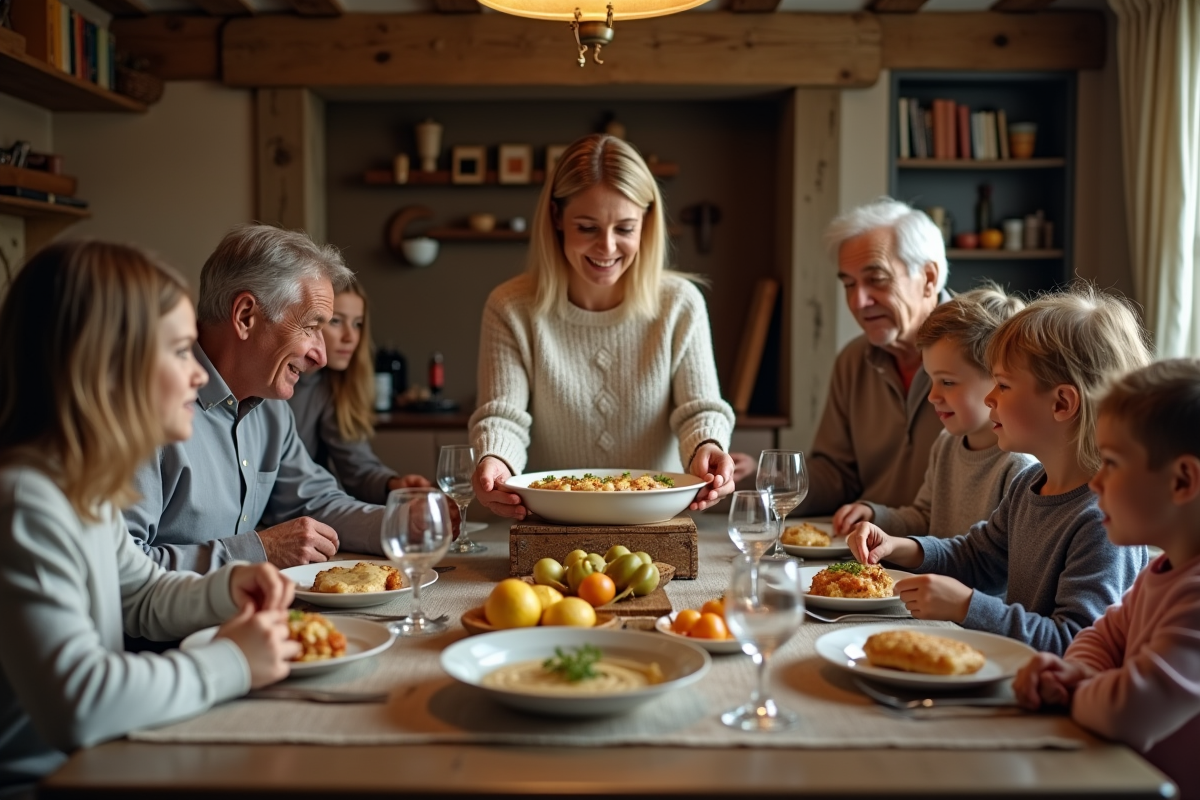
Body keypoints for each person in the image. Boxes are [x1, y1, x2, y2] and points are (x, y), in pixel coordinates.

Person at [0, 241, 299, 793]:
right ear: (108, 363)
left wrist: (227, 588)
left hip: (97, 764)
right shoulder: (25, 502)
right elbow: (79, 703)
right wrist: (233, 663)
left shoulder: (80, 488)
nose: (199, 376)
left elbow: (137, 596)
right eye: (181, 351)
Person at [848, 286, 1151, 654]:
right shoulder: (1029, 486)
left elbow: (1074, 642)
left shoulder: (1103, 521)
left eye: (1003, 385)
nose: (991, 397)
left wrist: (965, 605)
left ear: (1061, 403)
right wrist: (899, 546)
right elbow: (977, 557)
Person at [469, 133, 736, 519]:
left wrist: (707, 445)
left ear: (646, 222)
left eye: (625, 229)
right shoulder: (510, 306)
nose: (607, 248)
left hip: (654, 519)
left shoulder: (680, 303)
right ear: (558, 219)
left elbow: (698, 409)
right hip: (549, 519)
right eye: (588, 227)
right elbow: (503, 416)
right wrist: (495, 458)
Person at [124, 224, 390, 573]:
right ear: (246, 316)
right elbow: (122, 567)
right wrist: (258, 551)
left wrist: (404, 521)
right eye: (311, 328)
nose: (320, 356)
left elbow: (316, 501)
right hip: (172, 628)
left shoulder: (272, 411)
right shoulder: (147, 407)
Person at [1014, 359, 1200, 800]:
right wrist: (1073, 670)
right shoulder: (1162, 573)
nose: (1096, 481)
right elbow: (1103, 636)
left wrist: (1070, 691)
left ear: (1182, 481)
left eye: (1112, 463)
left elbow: (1132, 711)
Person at [832, 284, 1037, 538]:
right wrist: (875, 516)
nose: (932, 396)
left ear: (998, 379)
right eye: (931, 380)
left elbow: (999, 564)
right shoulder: (946, 444)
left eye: (947, 382)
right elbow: (924, 517)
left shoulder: (1019, 467)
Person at [797, 198, 951, 516]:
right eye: (849, 285)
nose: (858, 301)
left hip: (953, 558)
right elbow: (838, 476)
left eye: (876, 280)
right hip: (867, 553)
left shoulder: (990, 352)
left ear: (929, 278)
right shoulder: (853, 361)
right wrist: (765, 481)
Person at [287, 276, 430, 504]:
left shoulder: (332, 386)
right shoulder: (273, 385)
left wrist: (393, 485)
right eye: (336, 321)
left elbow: (356, 466)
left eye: (357, 324)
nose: (350, 337)